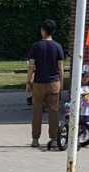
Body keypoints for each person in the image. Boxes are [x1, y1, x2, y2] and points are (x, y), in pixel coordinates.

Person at [25, 19, 67, 150]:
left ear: (43, 31)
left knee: (36, 111)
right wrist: (61, 82)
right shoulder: (57, 47)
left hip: (38, 83)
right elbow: (60, 67)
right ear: (53, 31)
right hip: (53, 82)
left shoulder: (36, 46)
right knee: (53, 111)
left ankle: (35, 138)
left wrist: (28, 81)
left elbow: (31, 66)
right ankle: (54, 139)